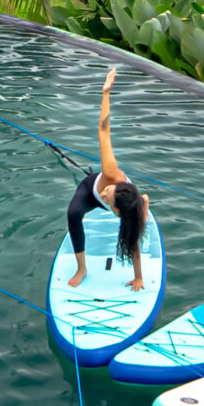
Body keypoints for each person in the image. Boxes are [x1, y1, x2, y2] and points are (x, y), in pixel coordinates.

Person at [65, 66, 150, 291]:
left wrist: (139, 278)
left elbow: (134, 246)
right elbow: (104, 130)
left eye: (108, 196)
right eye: (108, 191)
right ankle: (81, 268)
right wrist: (106, 93)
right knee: (73, 213)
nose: (105, 193)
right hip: (88, 188)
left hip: (132, 205)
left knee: (137, 227)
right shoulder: (111, 172)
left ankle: (145, 201)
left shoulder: (128, 211)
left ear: (117, 209)